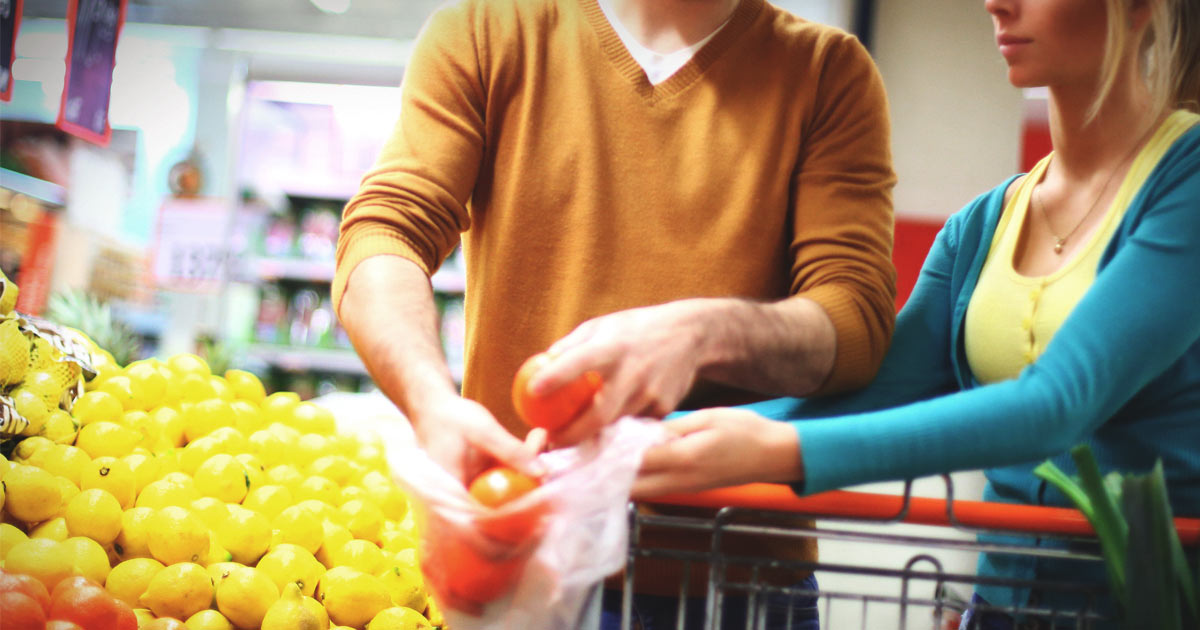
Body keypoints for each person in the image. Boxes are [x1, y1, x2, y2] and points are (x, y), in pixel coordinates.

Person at [634, 0, 1200, 627]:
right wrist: (651, 437)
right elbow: (876, 389)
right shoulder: (983, 224)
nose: (997, 3)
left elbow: (1057, 405)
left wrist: (774, 449)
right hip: (1001, 610)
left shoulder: (1188, 183)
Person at [333, 0, 898, 626]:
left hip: (740, 583)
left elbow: (855, 321)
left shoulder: (825, 70)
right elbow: (385, 229)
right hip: (523, 565)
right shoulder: (487, 30)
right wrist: (429, 402)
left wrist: (704, 333)